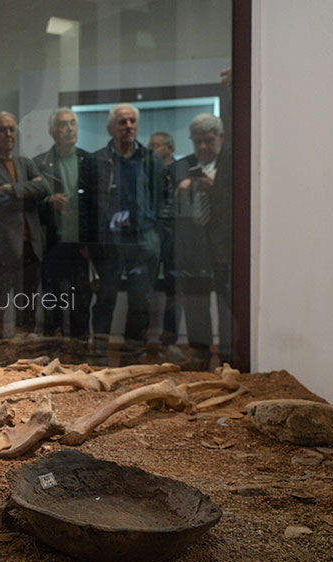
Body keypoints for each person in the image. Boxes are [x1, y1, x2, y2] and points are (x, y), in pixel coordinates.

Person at [89, 104, 170, 364]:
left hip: (143, 240)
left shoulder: (150, 159)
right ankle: (99, 355)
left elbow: (162, 198)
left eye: (132, 121)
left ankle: (132, 356)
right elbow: (88, 204)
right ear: (111, 128)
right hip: (110, 241)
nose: (128, 126)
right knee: (105, 298)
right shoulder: (97, 160)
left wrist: (158, 232)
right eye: (122, 122)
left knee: (140, 302)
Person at [0, 111, 48, 338]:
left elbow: (43, 189)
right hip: (1, 250)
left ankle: (26, 355)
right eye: (2, 129)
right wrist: (28, 192)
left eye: (12, 128)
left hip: (30, 248)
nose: (8, 134)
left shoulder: (25, 163)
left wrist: (12, 189)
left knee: (28, 310)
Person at [172, 113, 232, 369]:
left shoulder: (231, 165)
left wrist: (214, 189)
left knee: (227, 301)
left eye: (209, 141)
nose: (204, 147)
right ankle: (199, 353)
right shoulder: (181, 166)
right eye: (198, 142)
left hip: (225, 247)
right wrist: (181, 189)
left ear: (221, 137)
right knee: (195, 301)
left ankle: (230, 353)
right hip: (193, 247)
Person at [34, 108, 94, 340]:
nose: (69, 129)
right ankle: (52, 348)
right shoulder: (41, 164)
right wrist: (49, 201)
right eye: (63, 124)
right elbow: (30, 204)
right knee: (53, 298)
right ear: (52, 132)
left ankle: (81, 351)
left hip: (81, 242)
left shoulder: (89, 160)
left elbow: (96, 203)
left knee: (81, 300)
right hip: (53, 241)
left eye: (73, 123)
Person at [148, 131, 184, 361]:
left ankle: (169, 340)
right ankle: (144, 340)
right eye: (150, 145)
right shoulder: (146, 171)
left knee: (173, 288)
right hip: (151, 233)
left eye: (157, 145)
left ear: (170, 148)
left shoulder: (180, 169)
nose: (152, 149)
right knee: (145, 286)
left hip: (175, 233)